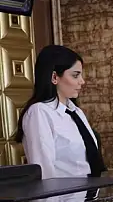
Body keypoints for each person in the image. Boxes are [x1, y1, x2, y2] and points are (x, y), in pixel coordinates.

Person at [15, 45, 106, 180]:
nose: (82, 81)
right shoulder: (39, 112)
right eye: (75, 75)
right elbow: (44, 170)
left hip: (91, 190)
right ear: (54, 77)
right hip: (64, 193)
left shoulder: (76, 112)